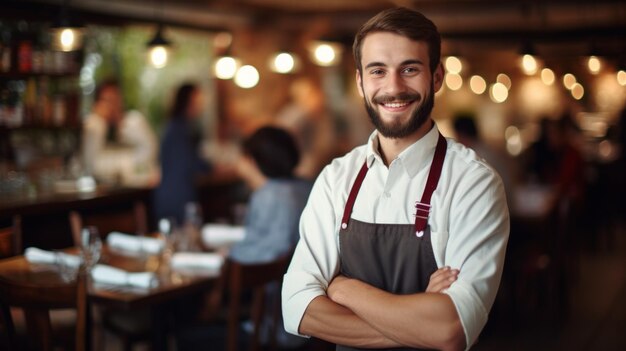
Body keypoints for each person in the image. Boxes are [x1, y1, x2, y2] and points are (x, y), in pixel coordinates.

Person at [282, 7, 509, 351]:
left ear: (436, 77)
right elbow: (297, 308)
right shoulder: (335, 179)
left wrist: (343, 289)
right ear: (360, 82)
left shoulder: (473, 183)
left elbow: (450, 329)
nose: (394, 87)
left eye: (410, 69)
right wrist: (418, 320)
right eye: (378, 71)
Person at [153, 83, 211, 224]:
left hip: (169, 195)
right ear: (189, 101)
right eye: (199, 101)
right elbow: (190, 164)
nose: (201, 106)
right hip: (178, 197)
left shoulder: (174, 127)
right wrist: (211, 166)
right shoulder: (179, 129)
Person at [82, 79, 158, 184]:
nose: (111, 105)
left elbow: (148, 154)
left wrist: (119, 167)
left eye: (114, 99)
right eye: (106, 101)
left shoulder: (133, 122)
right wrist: (97, 121)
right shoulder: (97, 128)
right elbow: (92, 166)